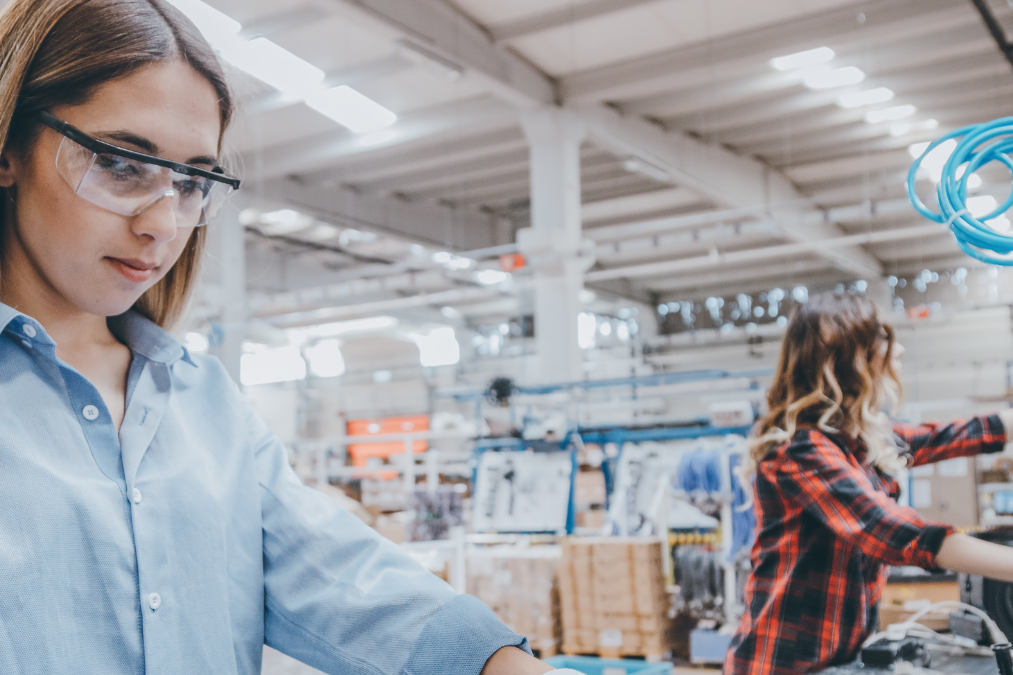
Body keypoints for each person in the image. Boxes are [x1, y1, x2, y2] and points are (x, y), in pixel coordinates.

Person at [0, 1, 567, 674]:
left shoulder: (206, 405)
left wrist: (503, 663)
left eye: (191, 181)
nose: (164, 222)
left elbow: (342, 577)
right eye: (123, 164)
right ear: (9, 149)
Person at [724, 291, 1013, 675]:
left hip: (837, 662)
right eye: (883, 340)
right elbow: (889, 529)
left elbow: (947, 436)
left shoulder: (858, 442)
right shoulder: (799, 451)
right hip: (780, 665)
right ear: (849, 359)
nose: (900, 351)